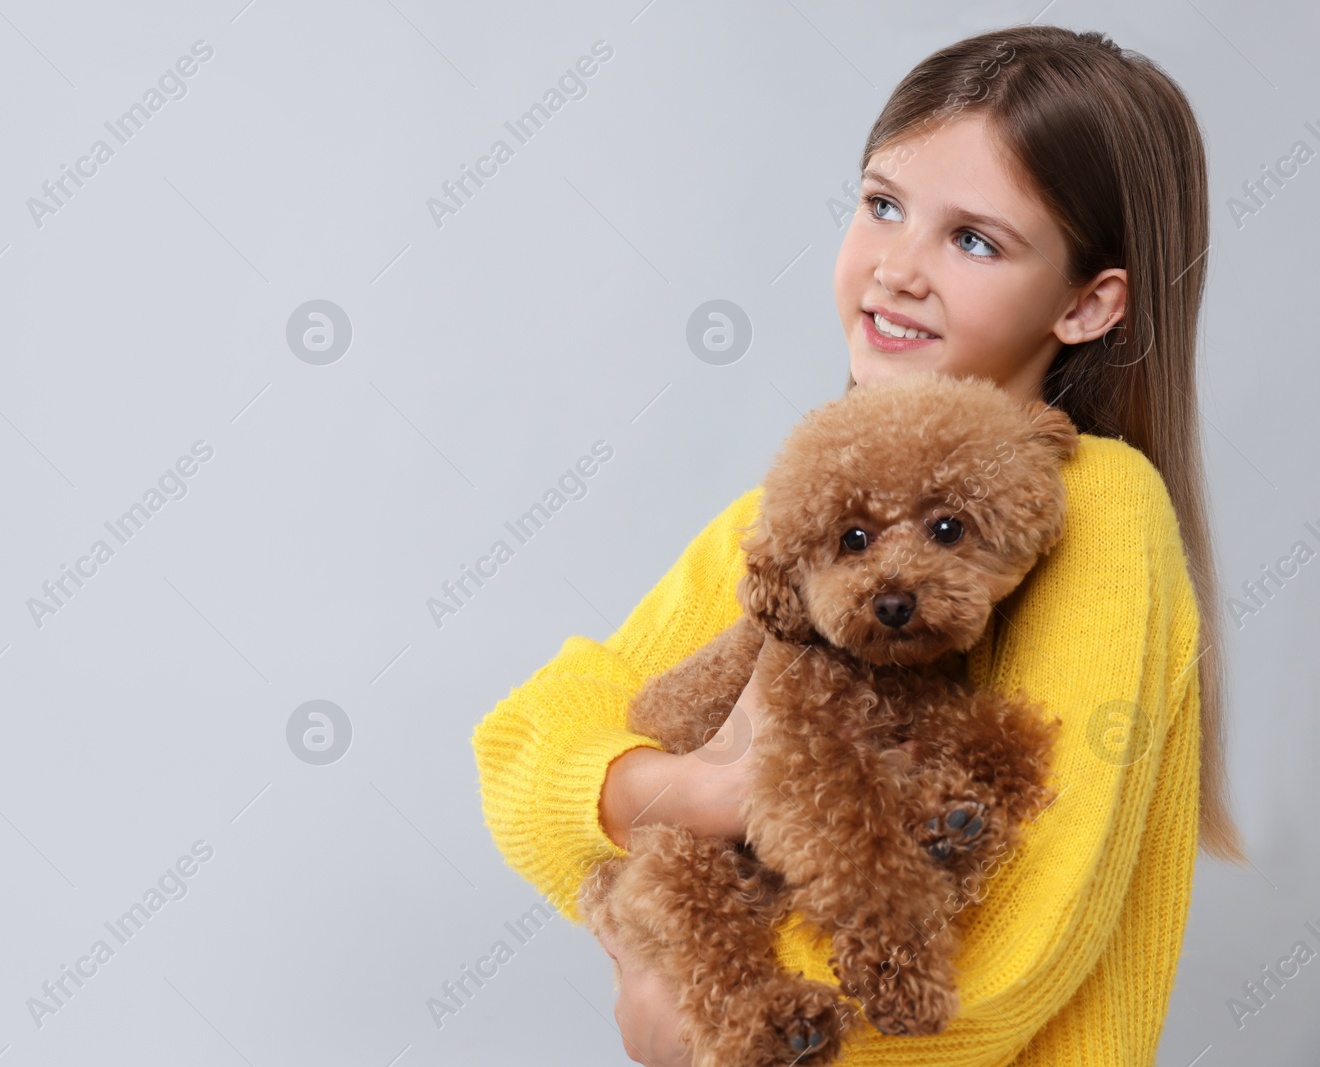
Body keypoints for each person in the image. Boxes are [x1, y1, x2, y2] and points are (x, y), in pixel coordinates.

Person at [471, 24, 1250, 1067]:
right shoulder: (784, 518)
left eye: (972, 239)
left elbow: (1009, 960)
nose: (896, 269)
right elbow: (521, 739)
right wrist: (702, 794)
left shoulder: (1100, 508)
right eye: (883, 204)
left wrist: (701, 1023)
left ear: (1086, 303)